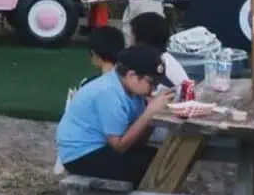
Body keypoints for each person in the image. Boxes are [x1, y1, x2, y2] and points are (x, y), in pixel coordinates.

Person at [56, 45, 173, 184]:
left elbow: (137, 141)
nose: (154, 89)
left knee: (165, 158)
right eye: (152, 83)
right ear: (131, 76)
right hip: (82, 155)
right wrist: (149, 113)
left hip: (102, 148)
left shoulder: (132, 92)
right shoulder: (109, 92)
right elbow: (119, 146)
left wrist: (153, 116)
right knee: (155, 167)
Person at [130, 12, 188, 86]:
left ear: (140, 36)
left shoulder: (154, 65)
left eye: (132, 34)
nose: (130, 40)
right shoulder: (165, 59)